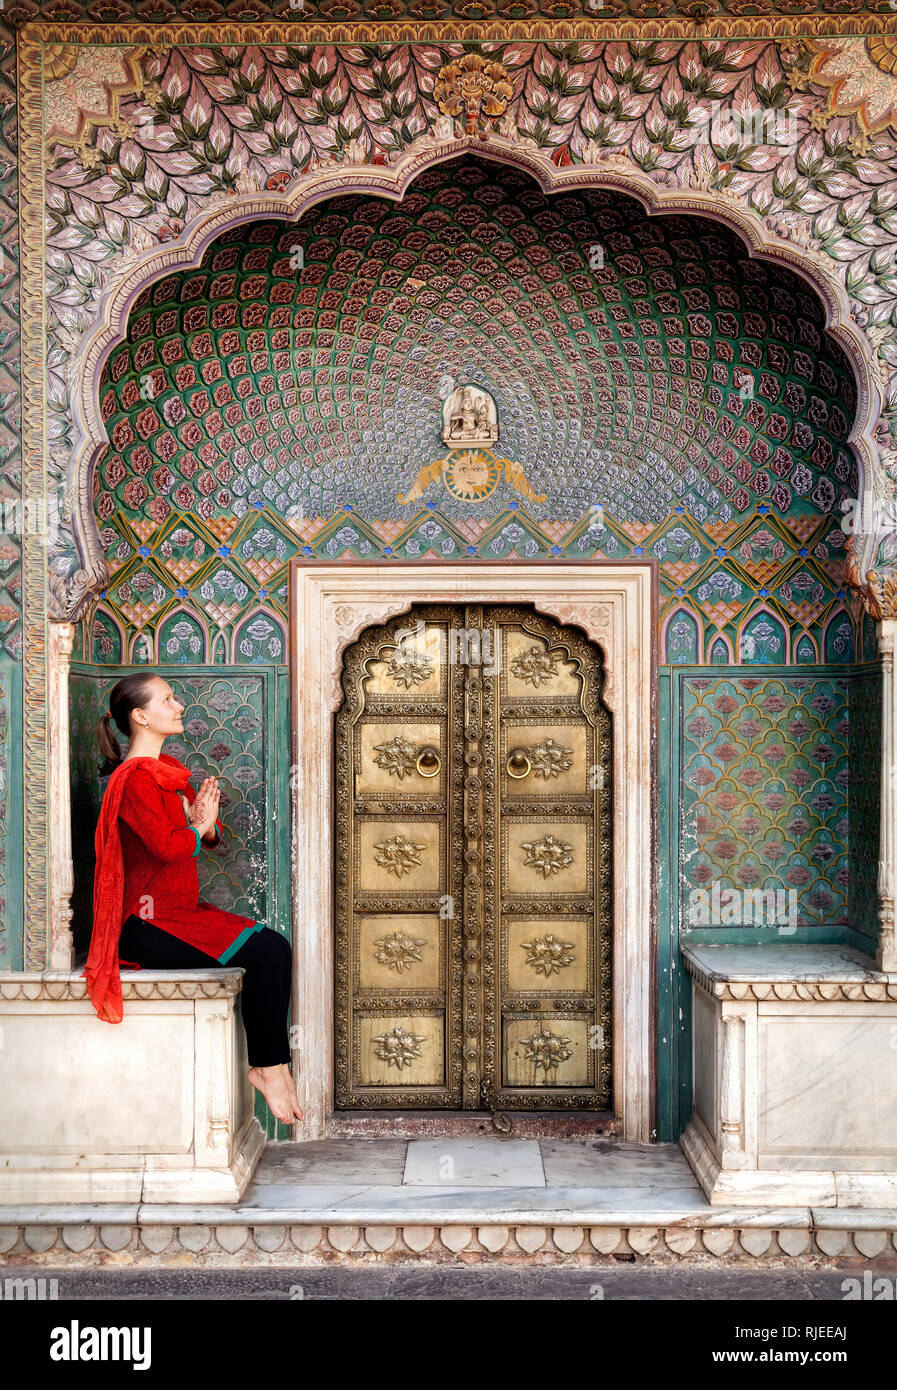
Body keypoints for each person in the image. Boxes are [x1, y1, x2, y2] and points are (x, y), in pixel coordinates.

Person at [85, 672, 303, 1124]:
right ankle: (268, 1070)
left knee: (275, 947)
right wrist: (196, 827)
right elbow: (169, 845)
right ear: (141, 716)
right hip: (144, 925)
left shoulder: (169, 775)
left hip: (177, 914)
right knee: (266, 953)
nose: (179, 705)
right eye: (167, 700)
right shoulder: (135, 780)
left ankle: (272, 1066)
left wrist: (206, 823)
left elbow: (207, 838)